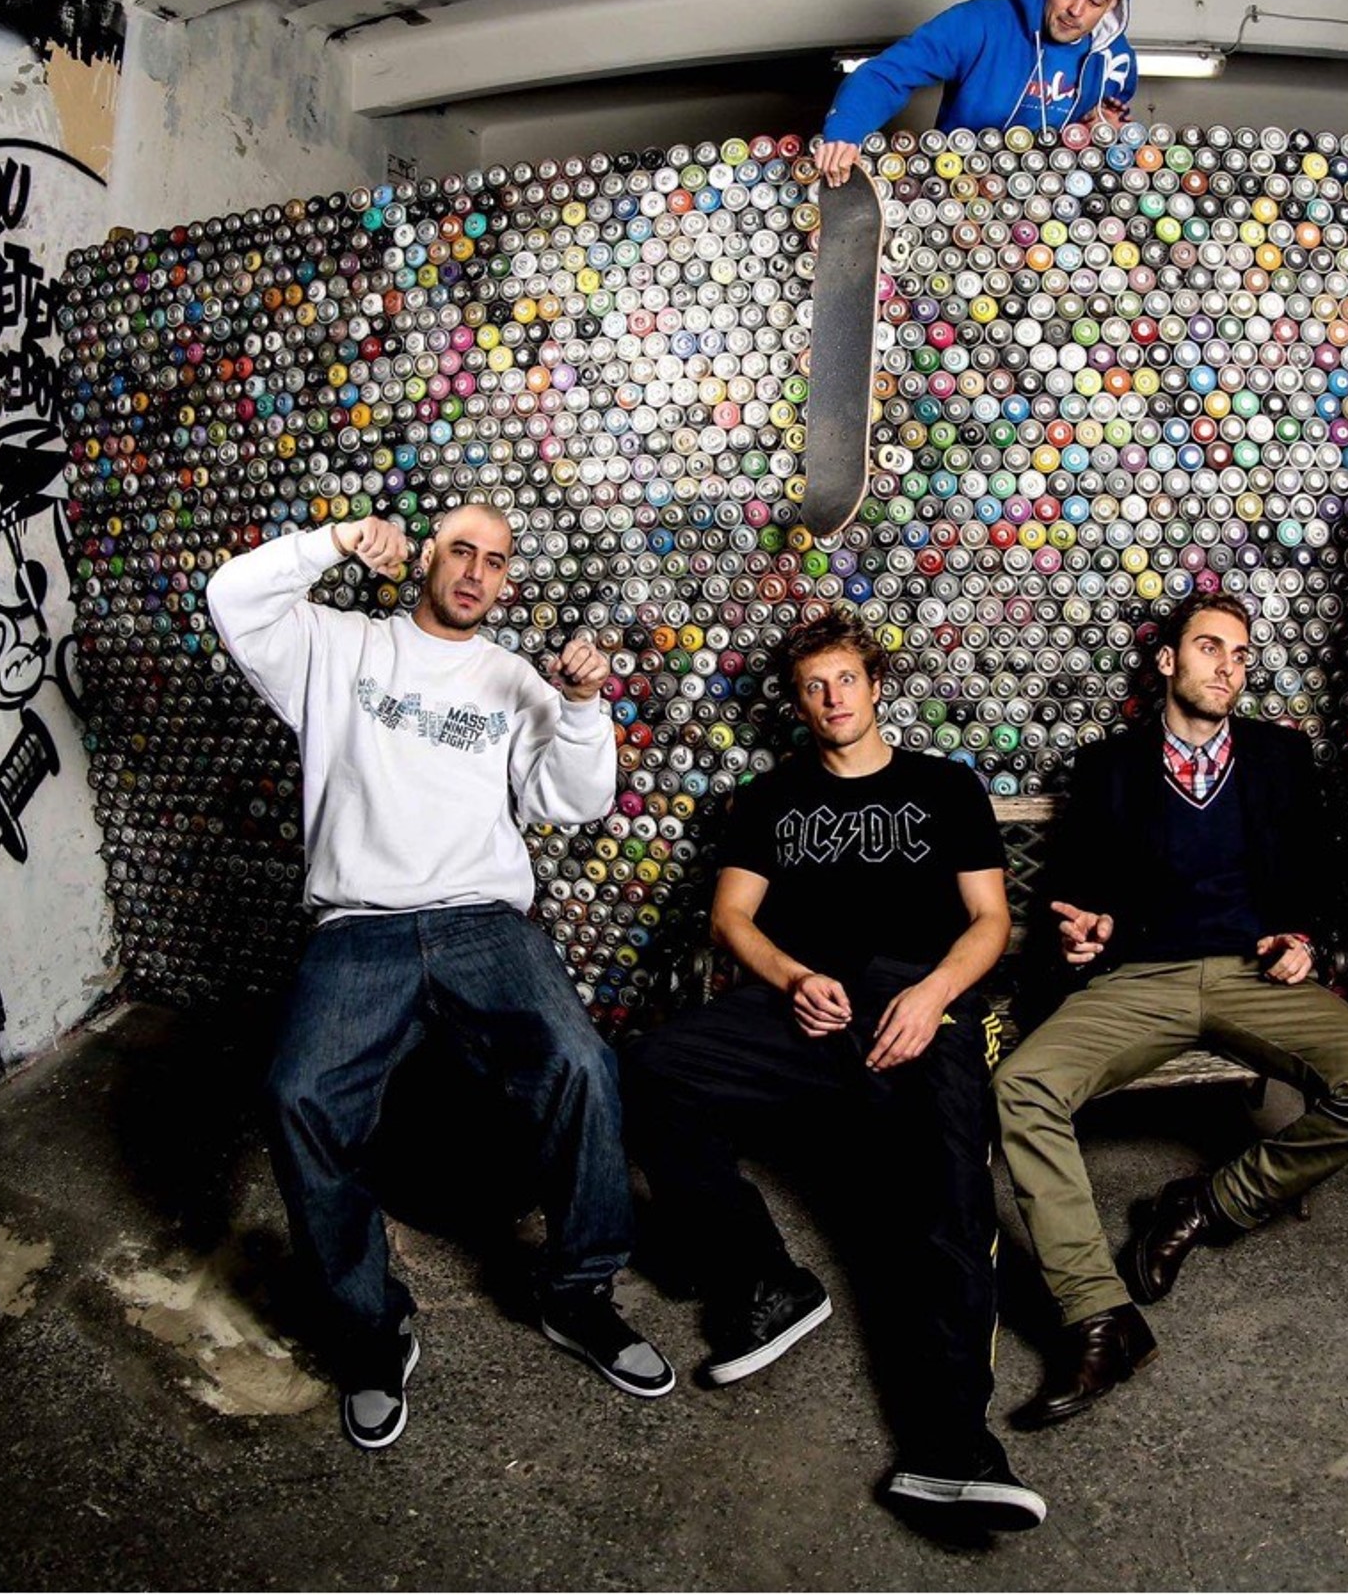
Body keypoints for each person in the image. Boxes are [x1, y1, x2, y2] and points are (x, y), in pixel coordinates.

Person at [206, 504, 672, 1451]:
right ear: (426, 556)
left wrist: (584, 708)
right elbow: (231, 597)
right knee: (298, 1094)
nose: (475, 572)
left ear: (504, 580)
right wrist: (334, 543)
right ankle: (369, 1327)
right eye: (461, 550)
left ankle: (576, 1294)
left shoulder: (512, 678)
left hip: (481, 923)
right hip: (359, 926)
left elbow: (575, 800)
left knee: (584, 1065)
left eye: (495, 561)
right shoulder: (337, 646)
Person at [624, 610, 1043, 1530]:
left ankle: (953, 1449)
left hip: (919, 1004)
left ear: (876, 686)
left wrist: (933, 995)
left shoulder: (944, 786)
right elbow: (731, 919)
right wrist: (793, 978)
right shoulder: (770, 799)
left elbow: (991, 921)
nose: (832, 698)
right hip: (807, 1002)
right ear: (799, 702)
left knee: (950, 1198)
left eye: (846, 679)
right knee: (653, 1069)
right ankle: (763, 1281)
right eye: (813, 686)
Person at [992, 594, 1348, 1430]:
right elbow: (1073, 892)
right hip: (1141, 979)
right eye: (1210, 647)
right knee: (1022, 1086)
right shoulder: (1108, 765)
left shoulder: (1280, 756)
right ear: (1167, 661)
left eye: (1241, 654)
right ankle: (1100, 1319)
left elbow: (1321, 875)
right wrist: (1082, 930)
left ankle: (1207, 1204)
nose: (1228, 667)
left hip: (1254, 974)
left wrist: (1305, 938)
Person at [816, 0, 1137, 186]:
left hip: (1049, 208)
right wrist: (846, 129)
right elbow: (889, 74)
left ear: (1112, 4)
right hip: (957, 188)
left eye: (1095, 2)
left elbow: (1106, 121)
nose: (1076, 10)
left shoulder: (1114, 58)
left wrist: (1106, 131)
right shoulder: (981, 23)